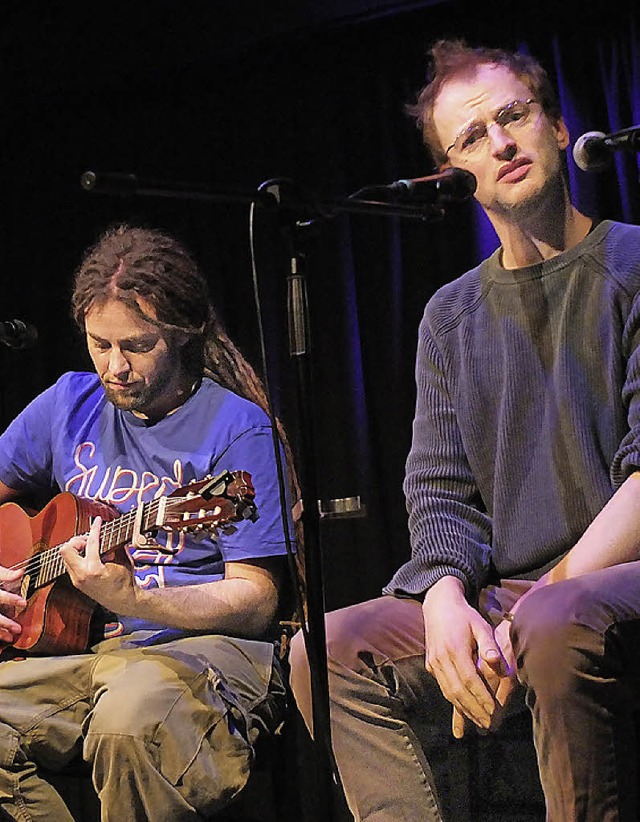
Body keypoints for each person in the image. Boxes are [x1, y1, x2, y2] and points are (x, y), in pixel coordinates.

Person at [289, 38, 640, 821]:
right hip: (516, 597)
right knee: (327, 650)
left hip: (612, 579)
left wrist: (536, 603)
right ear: (453, 174)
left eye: (513, 116)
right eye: (472, 137)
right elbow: (441, 493)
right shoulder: (450, 315)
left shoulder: (633, 263)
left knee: (552, 626)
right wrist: (446, 596)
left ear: (552, 122)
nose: (502, 143)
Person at [0, 224, 299, 821]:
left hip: (203, 649)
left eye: (137, 346)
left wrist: (135, 597)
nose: (115, 367)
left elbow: (257, 600)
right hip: (79, 651)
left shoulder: (238, 430)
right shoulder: (68, 404)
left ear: (182, 334)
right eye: (99, 344)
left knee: (128, 725)